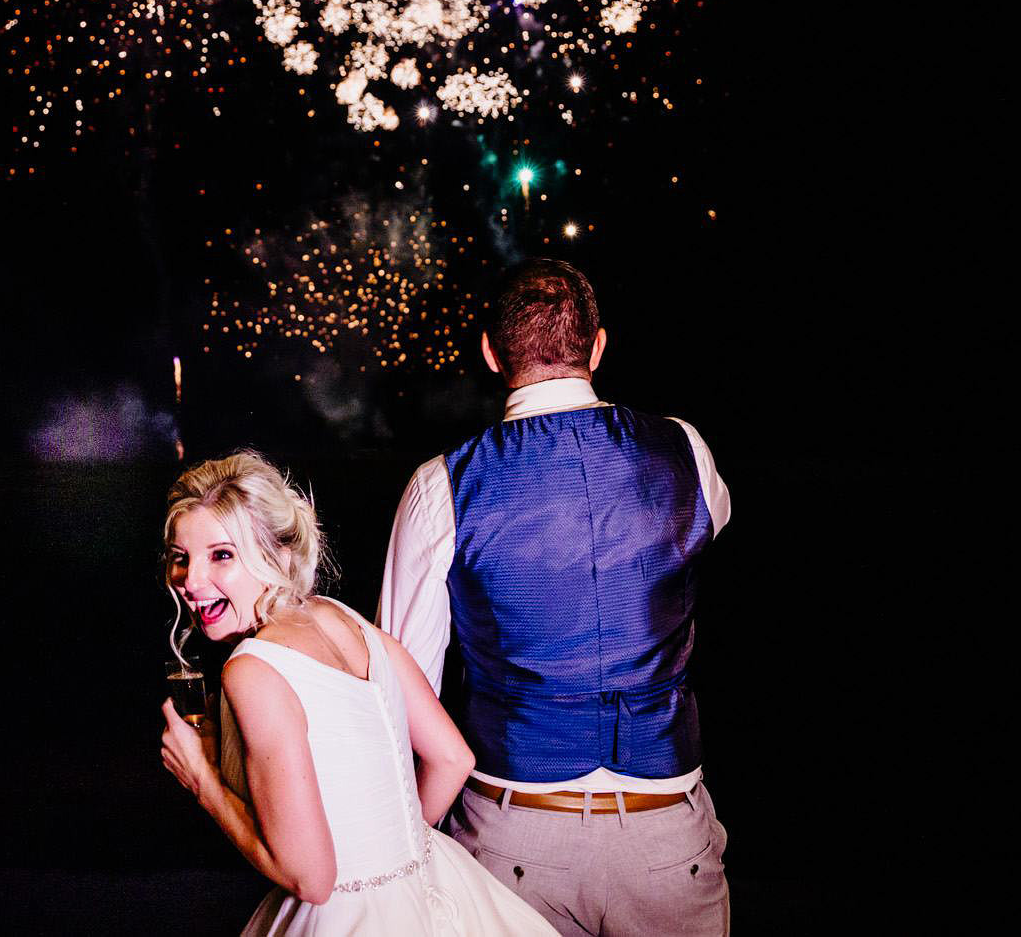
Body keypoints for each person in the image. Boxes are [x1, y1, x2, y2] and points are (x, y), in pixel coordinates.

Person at [379, 258, 734, 936]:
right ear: (598, 346)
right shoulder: (684, 448)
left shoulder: (441, 486)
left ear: (490, 352)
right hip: (668, 841)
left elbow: (400, 691)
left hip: (513, 842)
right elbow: (710, 518)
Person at [158, 452, 558, 936]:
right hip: (434, 884)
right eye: (181, 558)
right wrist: (395, 853)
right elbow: (452, 758)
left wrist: (202, 779)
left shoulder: (251, 670)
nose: (190, 581)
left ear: (279, 555)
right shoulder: (339, 616)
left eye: (221, 555)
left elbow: (312, 880)